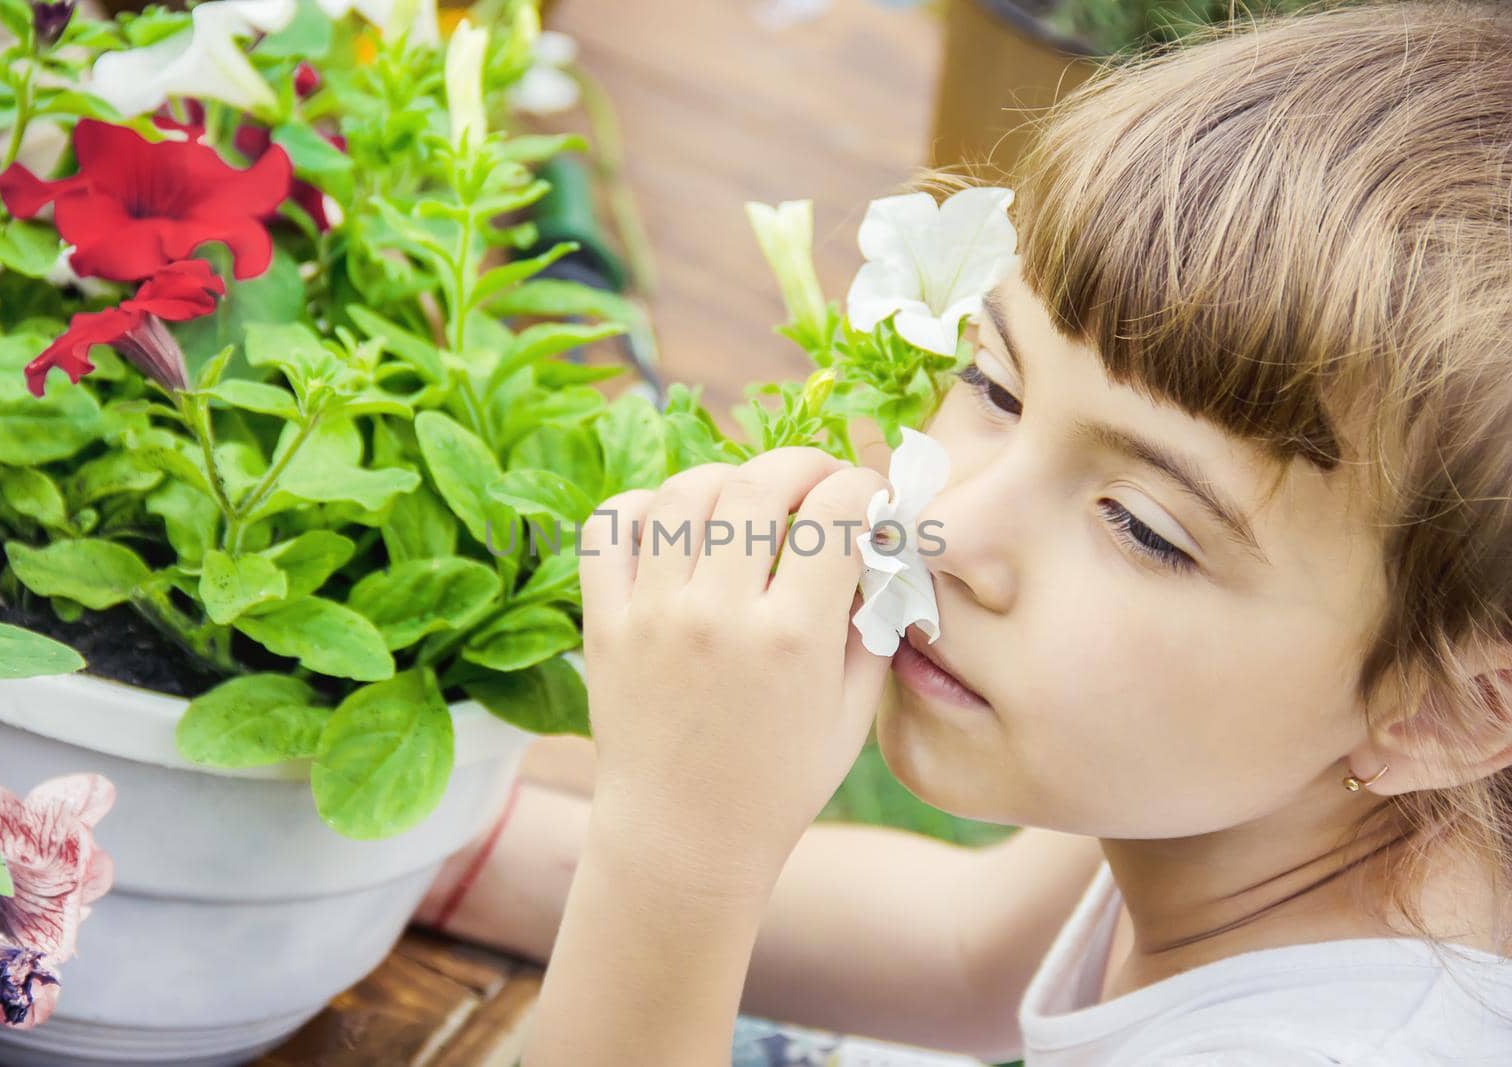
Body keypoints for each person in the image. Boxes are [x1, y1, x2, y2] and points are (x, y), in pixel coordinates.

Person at [423, 2, 1512, 1062]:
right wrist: (442, 854)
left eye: (1140, 525)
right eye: (995, 384)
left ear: (1445, 708)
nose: (940, 524)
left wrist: (675, 849)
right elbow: (964, 954)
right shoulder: (1260, 807)